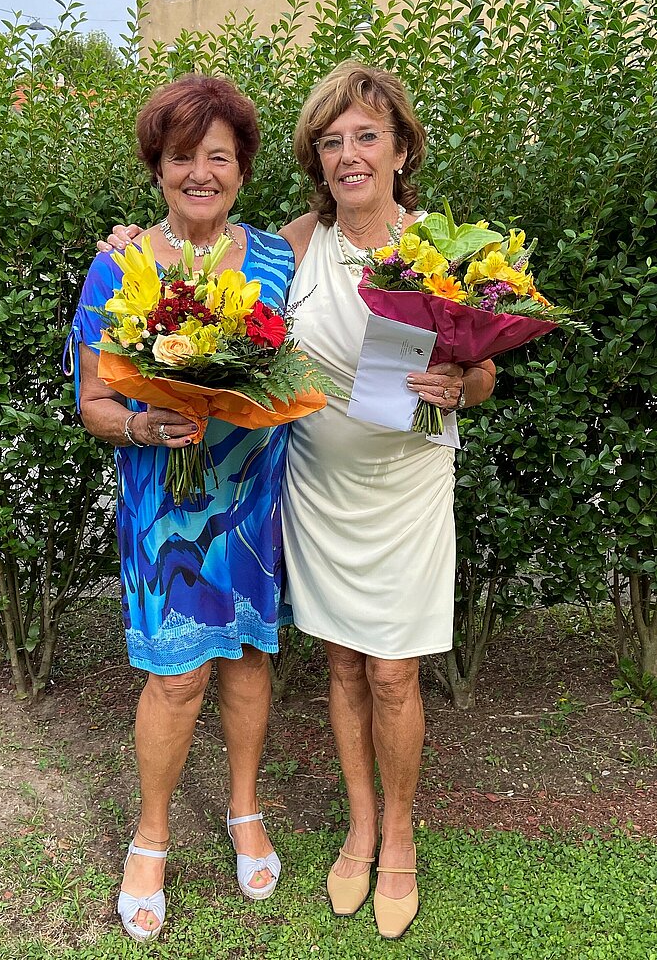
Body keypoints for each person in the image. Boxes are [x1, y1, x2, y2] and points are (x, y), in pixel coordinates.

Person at [100, 61, 495, 941]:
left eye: (366, 136)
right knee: (344, 667)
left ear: (400, 149)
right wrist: (130, 245)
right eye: (330, 141)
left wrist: (460, 385)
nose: (349, 154)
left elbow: (481, 373)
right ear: (315, 159)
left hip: (405, 486)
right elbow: (202, 287)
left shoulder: (438, 249)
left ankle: (398, 837)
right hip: (312, 483)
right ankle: (357, 830)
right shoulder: (292, 245)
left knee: (392, 670)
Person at [68, 74, 293, 942]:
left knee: (247, 658)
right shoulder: (119, 264)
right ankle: (151, 836)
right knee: (176, 675)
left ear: (242, 170)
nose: (200, 172)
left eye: (218, 157)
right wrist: (141, 423)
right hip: (164, 505)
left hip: (251, 499)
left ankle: (244, 810)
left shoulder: (276, 259)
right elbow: (93, 401)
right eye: (181, 156)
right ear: (157, 168)